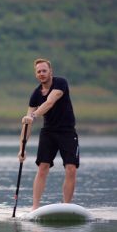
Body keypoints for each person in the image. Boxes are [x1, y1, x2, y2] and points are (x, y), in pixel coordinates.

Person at [18, 58, 79, 210]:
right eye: (39, 72)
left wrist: (33, 116)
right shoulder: (35, 95)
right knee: (42, 167)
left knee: (71, 168)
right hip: (48, 133)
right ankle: (35, 207)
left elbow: (50, 102)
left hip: (67, 131)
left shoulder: (60, 83)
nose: (42, 74)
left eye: (44, 71)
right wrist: (22, 149)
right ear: (36, 74)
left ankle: (66, 206)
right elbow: (27, 124)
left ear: (50, 72)